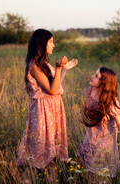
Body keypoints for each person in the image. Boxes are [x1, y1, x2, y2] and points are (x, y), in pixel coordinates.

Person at [16, 29, 78, 182]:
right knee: (38, 156)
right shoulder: (35, 67)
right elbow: (51, 90)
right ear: (41, 44)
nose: (53, 45)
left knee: (52, 156)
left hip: (53, 110)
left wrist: (62, 70)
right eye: (50, 42)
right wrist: (58, 69)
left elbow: (56, 86)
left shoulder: (44, 64)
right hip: (43, 112)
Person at [77, 66, 120, 179]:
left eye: (96, 76)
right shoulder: (92, 90)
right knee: (85, 169)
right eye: (94, 74)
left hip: (103, 143)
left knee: (98, 175)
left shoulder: (111, 102)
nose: (92, 77)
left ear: (103, 82)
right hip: (90, 137)